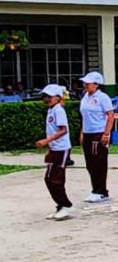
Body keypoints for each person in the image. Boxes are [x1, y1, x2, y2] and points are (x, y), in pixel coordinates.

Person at [36, 84, 74, 220]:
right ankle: (60, 205)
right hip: (54, 148)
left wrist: (47, 140)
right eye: (44, 96)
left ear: (58, 97)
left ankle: (65, 206)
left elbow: (63, 130)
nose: (46, 99)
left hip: (61, 149)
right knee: (49, 178)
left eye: (49, 96)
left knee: (56, 179)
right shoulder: (51, 110)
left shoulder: (58, 110)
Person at [79, 71, 114, 202]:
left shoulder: (103, 97)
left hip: (98, 132)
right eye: (85, 83)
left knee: (98, 162)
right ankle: (95, 188)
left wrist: (106, 133)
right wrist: (82, 132)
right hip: (87, 133)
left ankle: (101, 191)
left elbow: (110, 115)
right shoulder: (85, 97)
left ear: (96, 84)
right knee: (90, 163)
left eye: (88, 83)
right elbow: (85, 117)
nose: (85, 85)